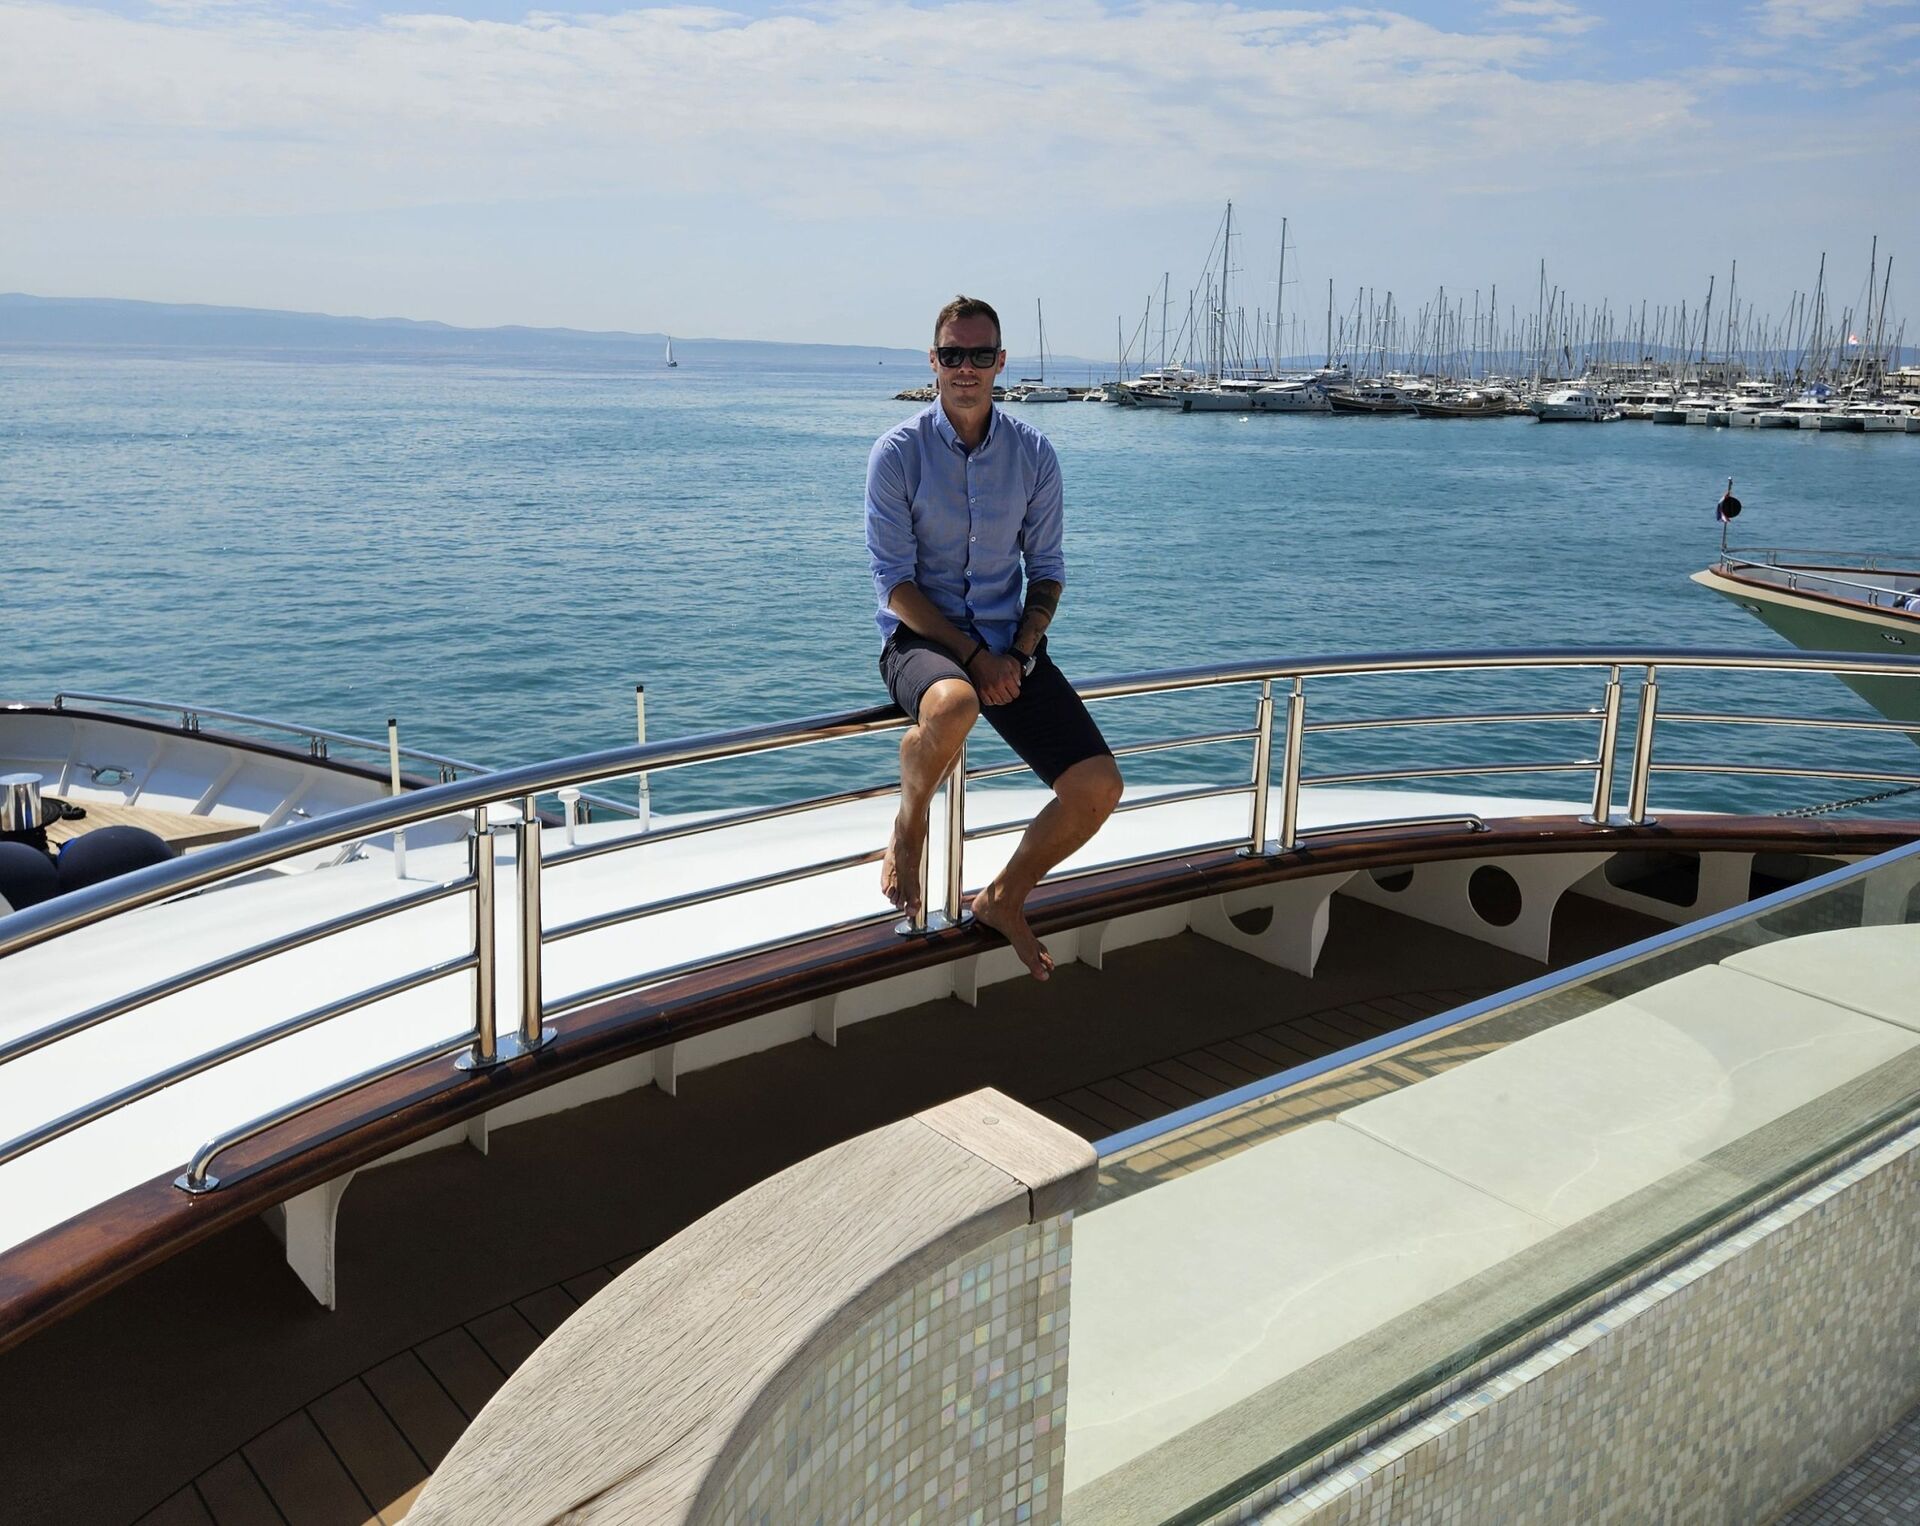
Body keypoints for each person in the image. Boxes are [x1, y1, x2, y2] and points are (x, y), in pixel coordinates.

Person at [865, 295, 1124, 981]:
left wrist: (1016, 653)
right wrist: (974, 658)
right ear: (934, 361)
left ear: (1001, 362)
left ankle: (1003, 898)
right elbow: (895, 585)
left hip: (1009, 647)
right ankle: (910, 823)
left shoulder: (1034, 454)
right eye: (953, 355)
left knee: (1098, 788)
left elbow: (1047, 574)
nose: (967, 369)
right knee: (953, 703)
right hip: (921, 641)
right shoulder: (898, 454)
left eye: (981, 356)